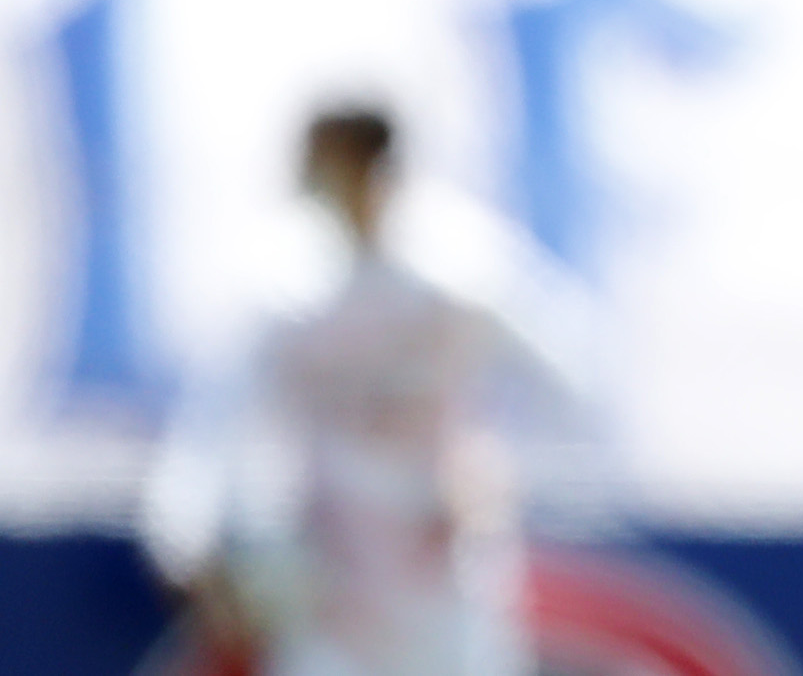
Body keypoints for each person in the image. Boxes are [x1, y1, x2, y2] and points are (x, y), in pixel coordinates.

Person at [143, 104, 588, 676]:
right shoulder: (287, 293)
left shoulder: (460, 277)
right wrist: (189, 544)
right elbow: (212, 432)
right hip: (329, 588)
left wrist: (499, 478)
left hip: (446, 586)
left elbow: (575, 384)